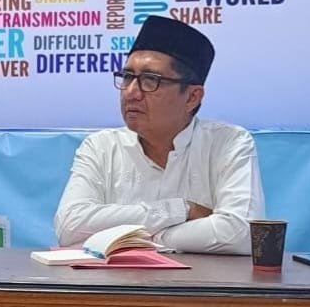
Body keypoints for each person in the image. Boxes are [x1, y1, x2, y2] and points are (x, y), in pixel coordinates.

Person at [54, 15, 265, 254]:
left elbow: (242, 232)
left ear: (192, 97)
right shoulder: (102, 146)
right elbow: (69, 226)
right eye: (127, 77)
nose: (131, 92)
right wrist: (180, 210)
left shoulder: (228, 143)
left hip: (202, 279)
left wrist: (142, 239)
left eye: (150, 80)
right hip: (117, 279)